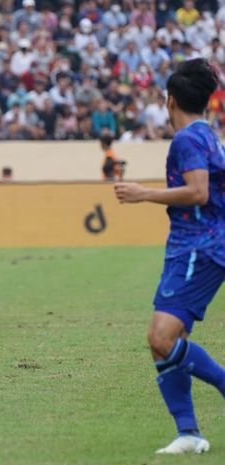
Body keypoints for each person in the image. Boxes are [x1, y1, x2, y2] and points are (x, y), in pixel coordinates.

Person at [114, 59, 225, 455]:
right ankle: (189, 433)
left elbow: (198, 192)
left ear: (170, 100)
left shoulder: (188, 140)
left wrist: (144, 194)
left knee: (159, 337)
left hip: (199, 246)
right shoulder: (206, 134)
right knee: (168, 342)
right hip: (195, 245)